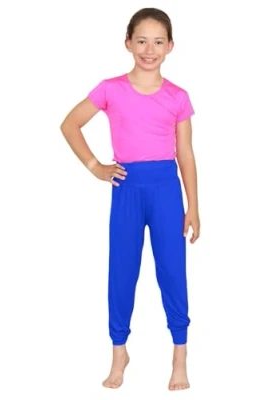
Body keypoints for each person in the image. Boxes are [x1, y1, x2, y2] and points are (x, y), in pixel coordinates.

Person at [60, 7, 200, 391]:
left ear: (170, 46)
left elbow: (185, 154)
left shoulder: (177, 97)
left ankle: (180, 354)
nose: (149, 50)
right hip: (127, 188)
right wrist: (96, 166)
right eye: (141, 41)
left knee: (172, 270)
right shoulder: (110, 89)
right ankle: (119, 352)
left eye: (157, 42)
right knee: (122, 270)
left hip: (165, 190)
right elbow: (70, 124)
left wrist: (193, 206)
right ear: (127, 43)